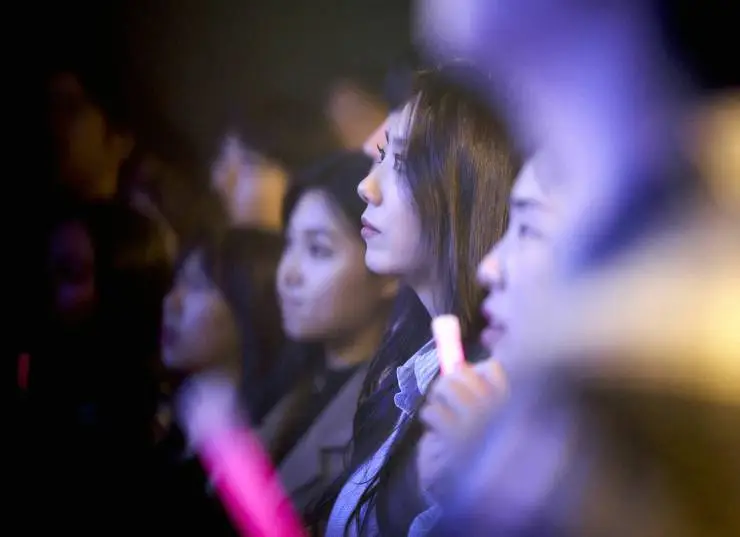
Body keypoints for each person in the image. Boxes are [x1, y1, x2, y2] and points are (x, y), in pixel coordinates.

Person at [322, 63, 519, 536]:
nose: (366, 187)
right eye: (381, 156)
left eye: (402, 163)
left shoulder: (489, 393)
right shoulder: (412, 366)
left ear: (472, 188)